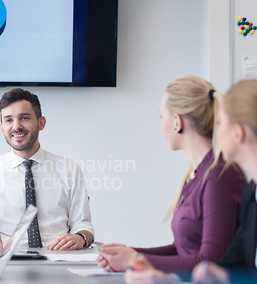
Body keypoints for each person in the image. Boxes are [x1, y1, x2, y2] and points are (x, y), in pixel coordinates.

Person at [97, 76, 247, 273]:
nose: (161, 125)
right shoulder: (197, 173)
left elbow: (209, 263)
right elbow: (182, 250)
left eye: (162, 117)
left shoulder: (219, 176)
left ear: (177, 122)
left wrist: (135, 260)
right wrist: (129, 254)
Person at [0, 88, 94, 251]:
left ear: (41, 123)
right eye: (9, 120)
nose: (16, 126)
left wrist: (80, 238)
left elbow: (84, 226)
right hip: (6, 260)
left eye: (24, 118)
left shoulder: (69, 170)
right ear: (2, 128)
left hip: (57, 257)